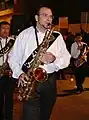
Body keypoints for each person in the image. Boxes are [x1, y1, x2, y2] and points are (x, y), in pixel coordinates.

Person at [8, 6, 71, 120]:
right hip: (30, 81)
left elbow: (67, 58)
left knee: (45, 116)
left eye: (51, 16)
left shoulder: (57, 36)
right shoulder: (24, 35)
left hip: (49, 82)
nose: (49, 19)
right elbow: (12, 58)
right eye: (45, 15)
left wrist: (54, 59)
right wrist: (20, 73)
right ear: (36, 18)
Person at [0, 21, 15, 120]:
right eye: (3, 28)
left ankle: (9, 117)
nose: (6, 30)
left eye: (7, 28)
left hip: (9, 74)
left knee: (9, 98)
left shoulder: (13, 41)